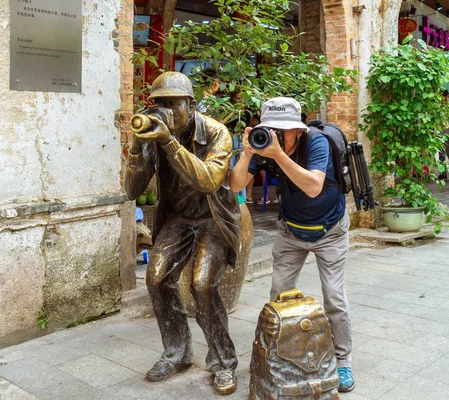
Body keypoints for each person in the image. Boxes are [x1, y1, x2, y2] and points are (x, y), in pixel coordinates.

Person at [124, 72, 241, 395]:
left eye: (172, 104)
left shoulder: (216, 133)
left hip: (212, 218)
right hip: (178, 217)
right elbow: (131, 191)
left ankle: (223, 361)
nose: (165, 112)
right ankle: (177, 353)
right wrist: (136, 149)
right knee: (156, 278)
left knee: (203, 284)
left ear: (190, 105)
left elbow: (208, 181)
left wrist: (168, 142)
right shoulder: (154, 135)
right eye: (158, 104)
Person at [228, 97, 355, 393]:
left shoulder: (316, 143)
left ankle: (343, 359)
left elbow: (313, 186)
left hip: (330, 229)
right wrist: (248, 154)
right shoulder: (264, 147)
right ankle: (278, 354)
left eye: (281, 131)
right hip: (291, 231)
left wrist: (276, 155)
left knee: (334, 298)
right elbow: (235, 186)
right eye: (269, 129)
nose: (274, 135)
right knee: (278, 296)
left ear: (297, 131)